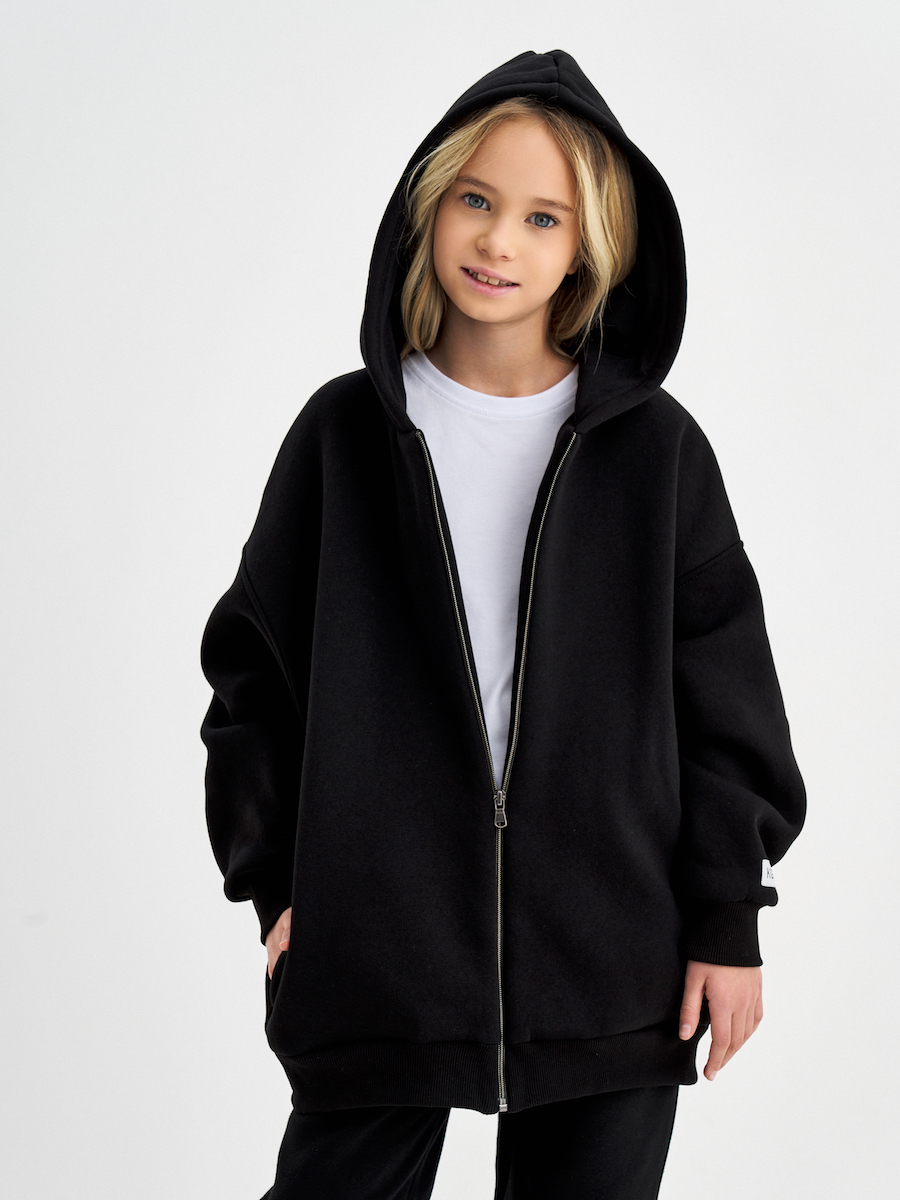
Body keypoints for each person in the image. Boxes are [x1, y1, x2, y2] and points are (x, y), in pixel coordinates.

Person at [200, 49, 806, 1200]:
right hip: (378, 944)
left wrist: (728, 920)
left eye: (541, 218)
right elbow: (252, 679)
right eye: (475, 200)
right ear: (428, 207)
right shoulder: (341, 439)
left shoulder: (658, 454)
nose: (498, 241)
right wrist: (275, 881)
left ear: (589, 248)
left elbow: (728, 706)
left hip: (612, 955)